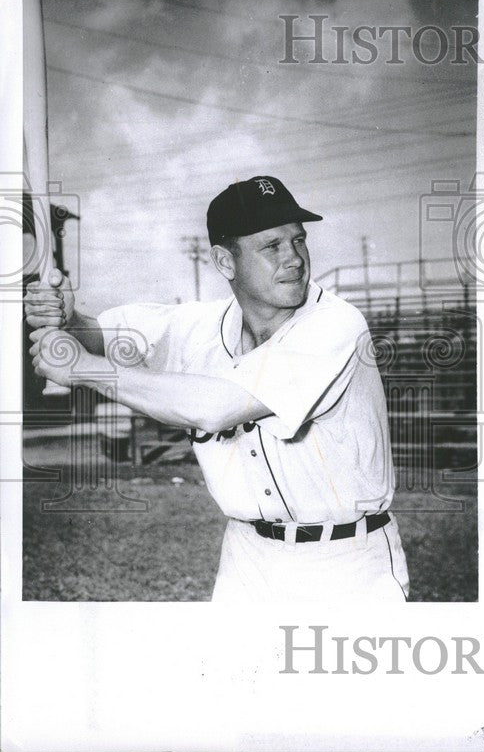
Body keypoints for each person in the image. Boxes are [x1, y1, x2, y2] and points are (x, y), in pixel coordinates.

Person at [26, 175, 409, 603]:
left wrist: (87, 371)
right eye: (272, 246)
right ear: (225, 262)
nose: (295, 259)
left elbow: (218, 406)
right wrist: (68, 316)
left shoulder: (336, 324)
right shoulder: (199, 326)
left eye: (298, 241)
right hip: (246, 556)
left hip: (347, 559)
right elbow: (101, 335)